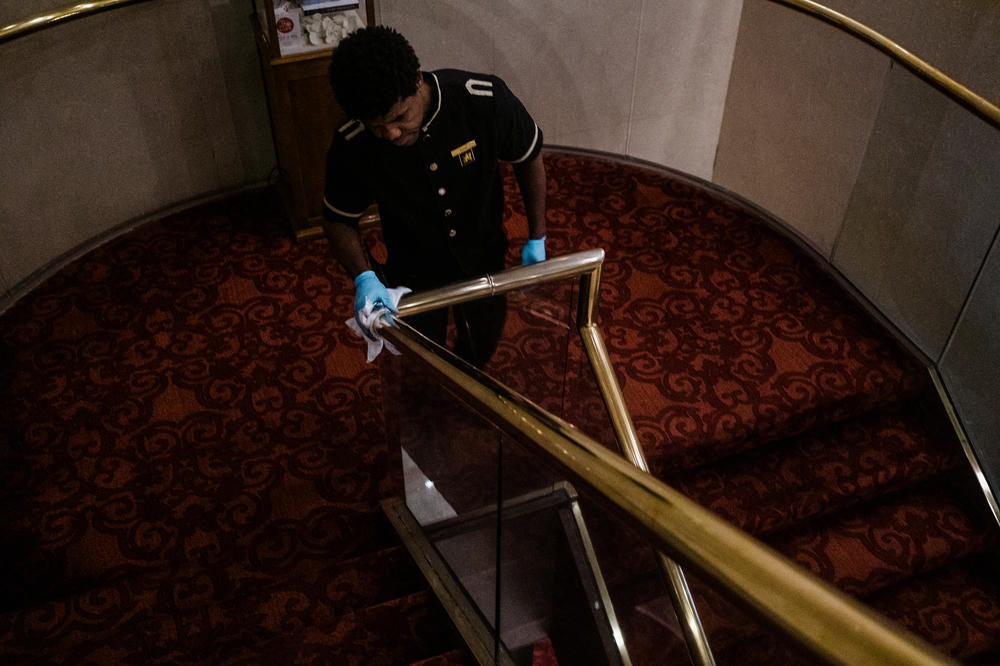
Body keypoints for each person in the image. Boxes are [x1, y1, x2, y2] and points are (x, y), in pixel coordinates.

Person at [322, 25, 547, 367]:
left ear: (416, 80)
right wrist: (363, 277)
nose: (392, 134)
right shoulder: (353, 141)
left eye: (400, 118)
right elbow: (338, 217)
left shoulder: (482, 99)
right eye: (377, 127)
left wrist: (537, 236)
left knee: (486, 336)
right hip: (412, 270)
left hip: (483, 254)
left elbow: (528, 155)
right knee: (422, 354)